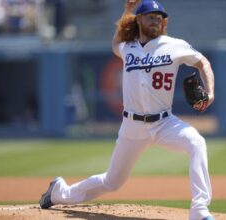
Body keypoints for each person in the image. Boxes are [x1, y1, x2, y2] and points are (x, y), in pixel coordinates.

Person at [39, 1, 215, 220]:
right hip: (132, 126)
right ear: (139, 20)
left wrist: (210, 92)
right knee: (112, 182)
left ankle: (199, 210)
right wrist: (127, 10)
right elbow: (116, 42)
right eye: (150, 16)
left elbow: (203, 63)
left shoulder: (174, 45)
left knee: (196, 142)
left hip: (164, 123)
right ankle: (59, 192)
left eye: (159, 17)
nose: (156, 20)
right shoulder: (127, 47)